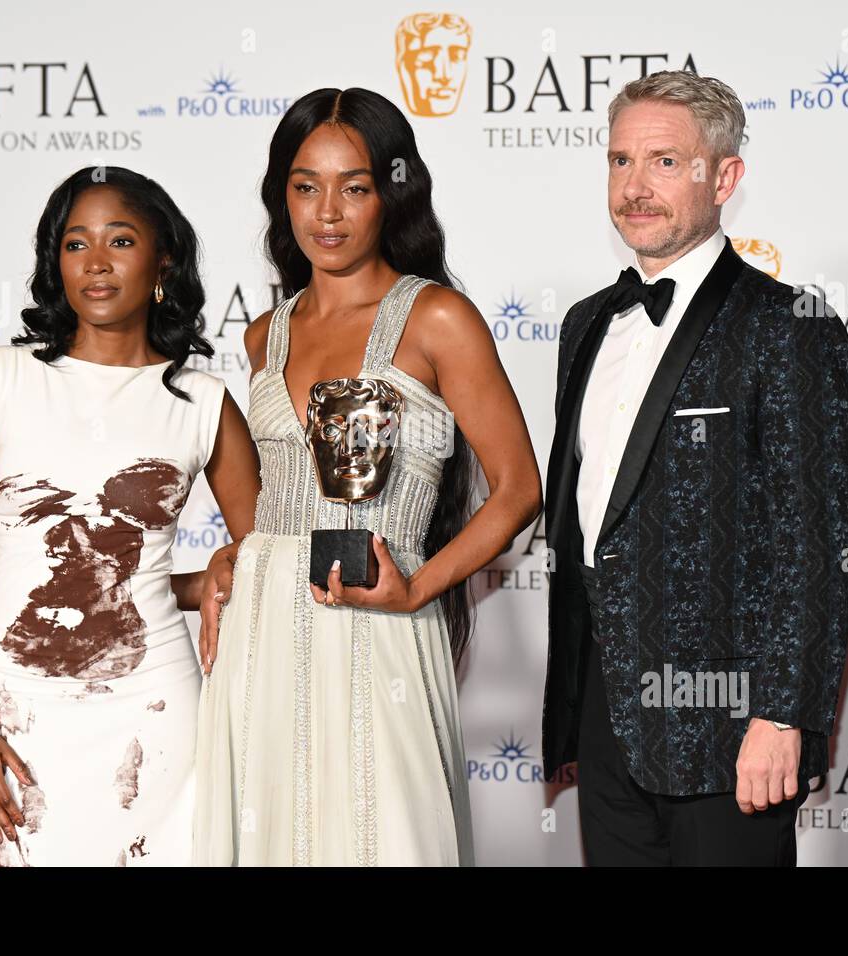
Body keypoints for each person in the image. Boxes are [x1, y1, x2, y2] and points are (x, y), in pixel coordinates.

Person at [193, 87, 542, 866]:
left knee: (385, 838)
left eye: (353, 186)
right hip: (261, 629)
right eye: (304, 186)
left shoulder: (437, 317)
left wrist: (419, 587)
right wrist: (230, 561)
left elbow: (519, 488)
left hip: (382, 616)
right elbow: (266, 510)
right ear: (280, 195)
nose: (327, 212)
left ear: (391, 191)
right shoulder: (262, 336)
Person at [541, 71, 848, 866]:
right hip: (608, 717)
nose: (635, 188)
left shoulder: (790, 325)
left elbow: (822, 541)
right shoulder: (587, 323)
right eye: (620, 161)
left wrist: (783, 717)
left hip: (734, 734)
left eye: (664, 162)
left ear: (724, 177)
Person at [0, 166, 258, 866]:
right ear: (55, 261)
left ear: (162, 259)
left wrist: (202, 581)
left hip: (154, 708)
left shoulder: (202, 403)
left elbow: (267, 557)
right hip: (16, 711)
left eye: (121, 240)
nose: (97, 263)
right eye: (76, 244)